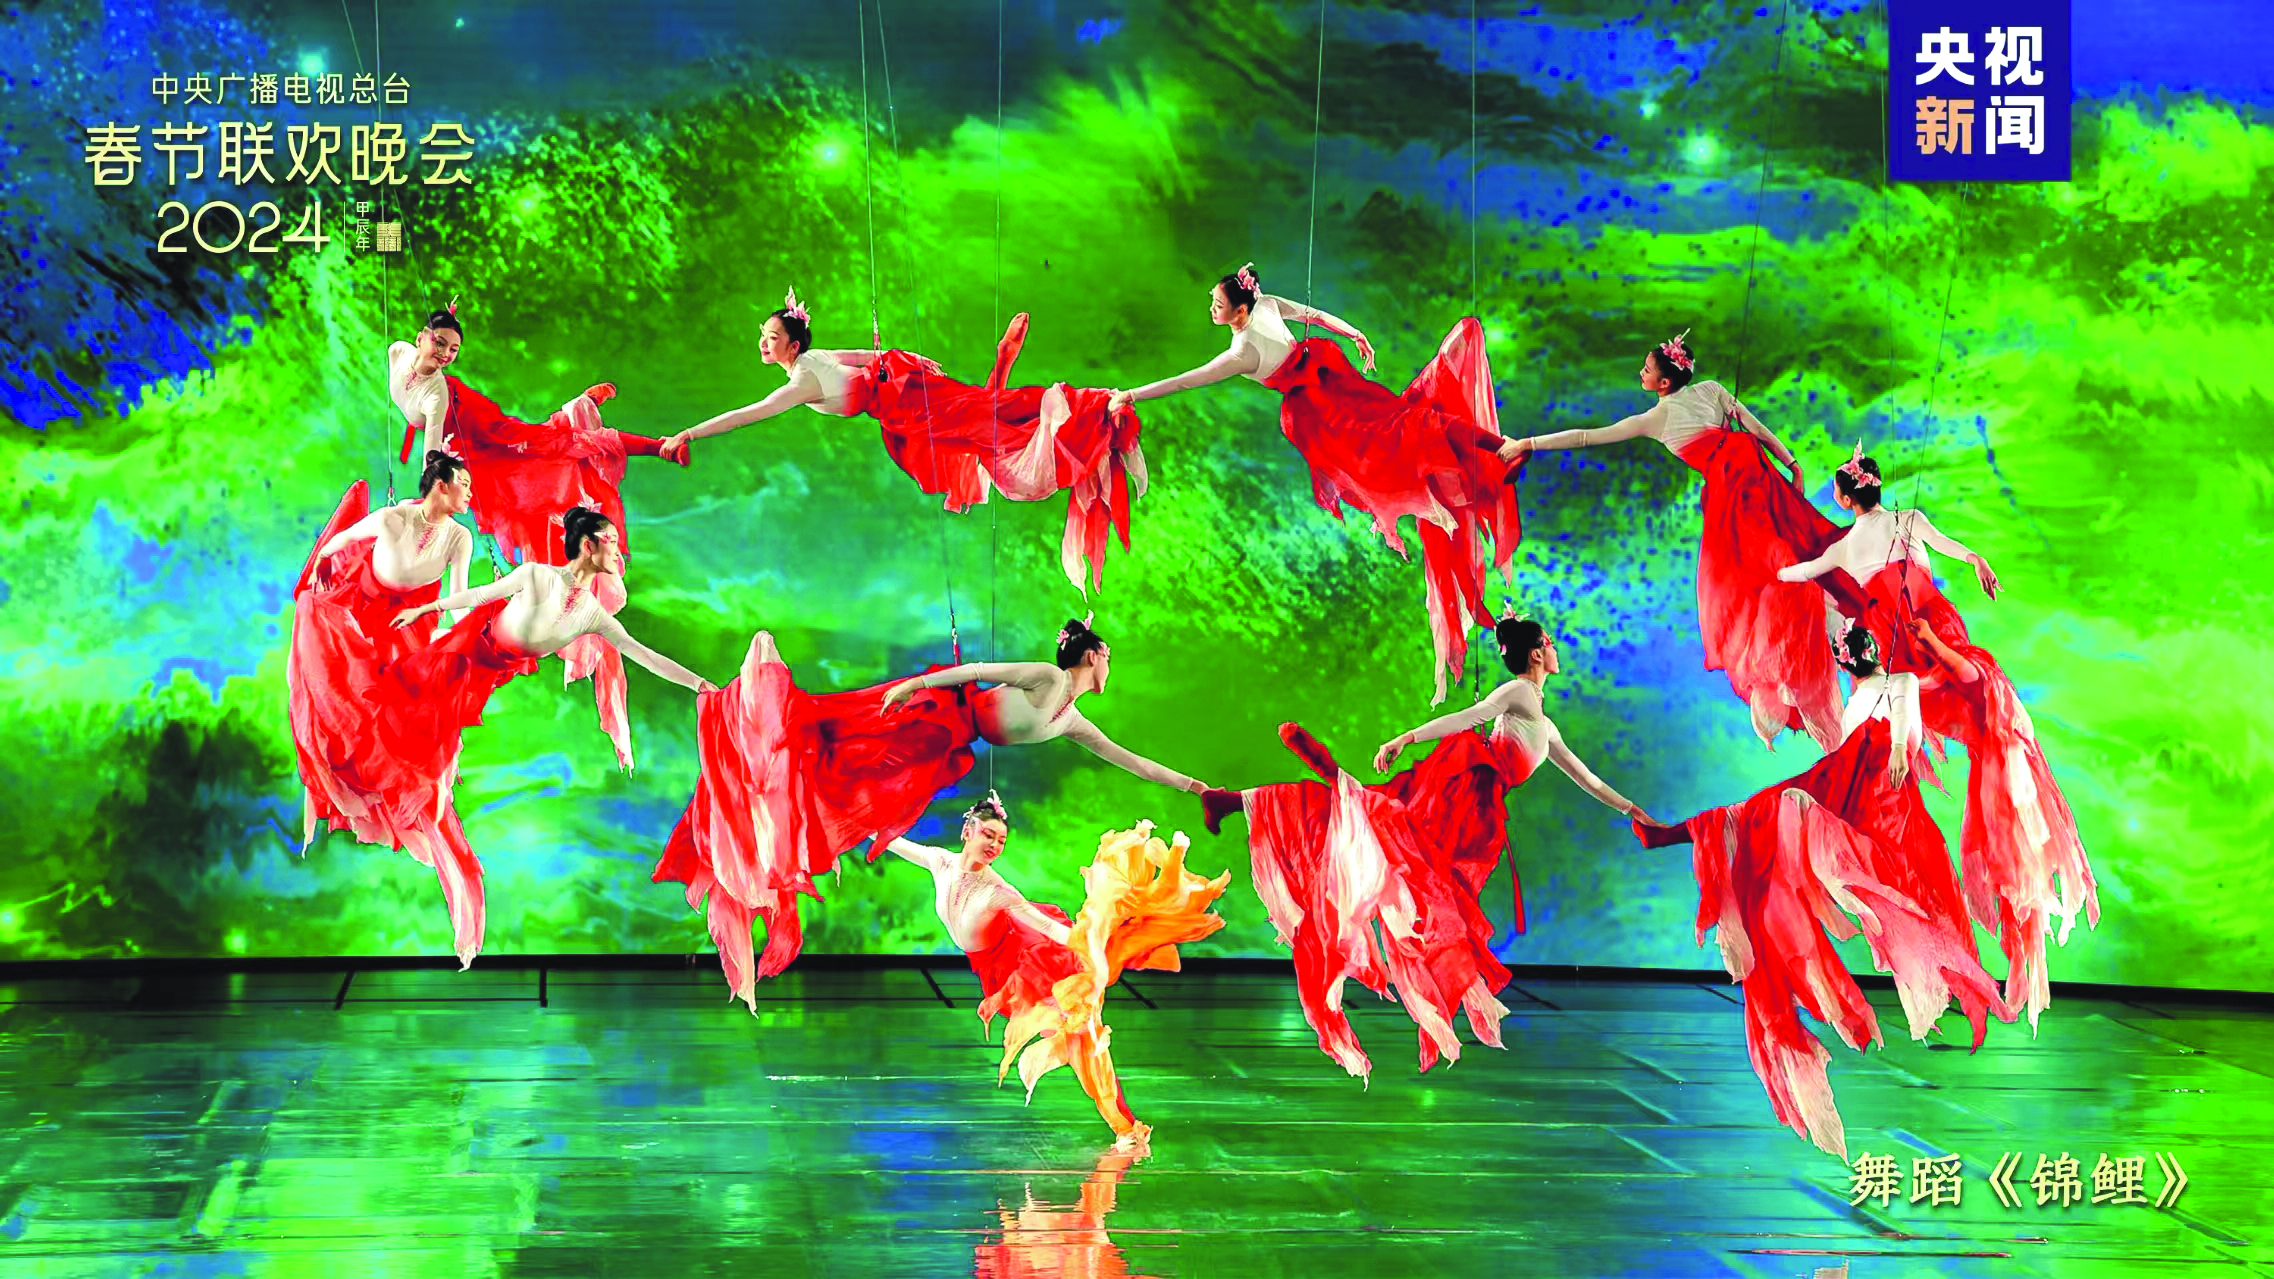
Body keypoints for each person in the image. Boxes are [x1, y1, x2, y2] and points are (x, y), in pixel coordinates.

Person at [657, 615, 1212, 1009]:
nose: (1109, 665)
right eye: (1108, 656)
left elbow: (1134, 762)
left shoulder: (1070, 720)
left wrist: (1198, 789)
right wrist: (917, 684)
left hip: (940, 748)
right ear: (1092, 655)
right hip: (930, 716)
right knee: (833, 739)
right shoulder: (1049, 678)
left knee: (850, 779)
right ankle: (767, 762)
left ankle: (787, 812)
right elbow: (977, 669)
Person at [1197, 617, 1649, 1078]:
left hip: (1476, 820)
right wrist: (1406, 738)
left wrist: (1632, 810)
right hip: (1458, 795)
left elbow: (1587, 778)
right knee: (1384, 827)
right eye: (1549, 643)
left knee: (1392, 843)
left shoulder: (1544, 724)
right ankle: (1316, 780)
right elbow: (1469, 717)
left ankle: (1241, 799)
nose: (1555, 650)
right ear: (1536, 653)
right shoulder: (1520, 694)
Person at [1632, 618, 2010, 1159]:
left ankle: (1685, 835)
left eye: (1863, 642)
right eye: (1851, 648)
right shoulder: (1854, 706)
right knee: (1767, 807)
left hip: (1891, 808)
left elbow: (1914, 712)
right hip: (1851, 796)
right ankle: (1673, 833)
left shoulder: (1901, 682)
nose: (1862, 650)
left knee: (1903, 890)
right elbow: (1841, 749)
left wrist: (1901, 739)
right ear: (1847, 661)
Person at [1777, 446, 2098, 1026]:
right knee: (1937, 692)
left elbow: (1806, 571)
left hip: (1912, 641)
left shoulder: (1851, 544)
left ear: (1847, 498)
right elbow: (1950, 547)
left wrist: (1777, 575)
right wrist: (1977, 561)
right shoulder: (1902, 524)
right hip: (1920, 639)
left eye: (1839, 493)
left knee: (1945, 693)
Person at [1108, 265, 1519, 702]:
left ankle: (1494, 452)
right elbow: (1313, 317)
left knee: (1409, 427)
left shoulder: (1242, 350)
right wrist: (1354, 335)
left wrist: (1130, 395)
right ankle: (1495, 450)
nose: (1211, 308)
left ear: (1240, 309)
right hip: (1331, 387)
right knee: (1409, 426)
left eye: (1218, 303)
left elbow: (1187, 380)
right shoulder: (1261, 312)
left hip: (1324, 410)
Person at [370, 507, 714, 965]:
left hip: (490, 674)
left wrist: (699, 684)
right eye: (611, 541)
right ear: (588, 545)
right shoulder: (537, 577)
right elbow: (478, 594)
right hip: (465, 653)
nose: (619, 551)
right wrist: (426, 608)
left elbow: (644, 655)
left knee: (427, 760)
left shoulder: (591, 612)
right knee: (400, 715)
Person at [664, 292, 1147, 592]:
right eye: (763, 335)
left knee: (988, 425)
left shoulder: (802, 381)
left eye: (771, 337)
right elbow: (864, 355)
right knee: (986, 421)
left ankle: (1087, 405)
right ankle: (1043, 387)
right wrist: (910, 359)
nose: (763, 343)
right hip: (901, 399)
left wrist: (690, 432)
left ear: (793, 345)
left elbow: (747, 415)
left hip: (908, 406)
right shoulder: (811, 362)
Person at [1500, 332, 1845, 748]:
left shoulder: (1657, 418)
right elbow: (1753, 426)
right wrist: (1790, 462)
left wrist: (1527, 443)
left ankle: (1798, 652)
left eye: (1646, 369)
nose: (1641, 373)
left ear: (1664, 383)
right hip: (1754, 475)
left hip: (1738, 490)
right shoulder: (1709, 391)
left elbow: (1587, 436)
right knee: (1780, 554)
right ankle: (1814, 634)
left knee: (1752, 574)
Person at [885, 794, 1228, 1142]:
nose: (994, 845)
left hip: (1025, 962)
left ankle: (1125, 1125)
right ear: (967, 832)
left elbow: (1048, 927)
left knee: (1079, 1033)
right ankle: (1122, 1122)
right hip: (991, 970)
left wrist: (1089, 948)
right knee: (1070, 1034)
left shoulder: (998, 890)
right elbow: (889, 840)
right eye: (988, 835)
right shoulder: (939, 861)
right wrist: (853, 820)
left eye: (1001, 841)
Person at [389, 299, 686, 567]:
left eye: (453, 350)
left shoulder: (436, 397)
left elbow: (432, 456)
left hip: (479, 427)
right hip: (469, 453)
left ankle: (660, 446)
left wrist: (425, 503)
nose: (445, 354)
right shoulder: (398, 352)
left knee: (555, 446)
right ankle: (534, 573)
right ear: (419, 338)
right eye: (439, 344)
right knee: (513, 501)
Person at [290, 452, 474, 853]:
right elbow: (342, 540)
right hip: (361, 606)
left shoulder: (460, 538)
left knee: (414, 702)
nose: (469, 495)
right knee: (339, 667)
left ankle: (413, 790)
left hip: (409, 620)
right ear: (440, 486)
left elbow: (458, 599)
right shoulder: (392, 519)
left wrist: (475, 628)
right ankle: (342, 773)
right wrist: (322, 562)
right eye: (464, 484)